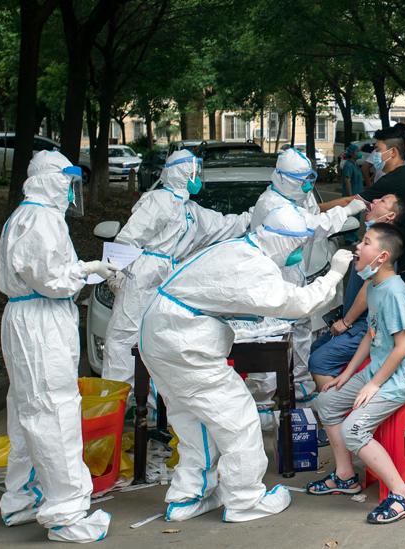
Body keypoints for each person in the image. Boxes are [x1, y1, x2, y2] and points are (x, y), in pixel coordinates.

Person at [138, 207, 353, 523]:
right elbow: (298, 304)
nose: (296, 255)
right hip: (184, 344)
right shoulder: (253, 267)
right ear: (283, 242)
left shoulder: (239, 248)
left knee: (193, 421)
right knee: (238, 419)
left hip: (160, 336)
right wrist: (335, 273)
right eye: (295, 247)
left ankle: (189, 496)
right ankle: (244, 498)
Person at [0, 150, 117, 542]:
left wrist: (83, 269)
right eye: (64, 180)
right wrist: (88, 270)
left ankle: (23, 498)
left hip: (32, 318)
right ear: (47, 179)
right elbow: (51, 279)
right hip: (41, 320)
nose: (69, 189)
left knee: (27, 412)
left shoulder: (29, 215)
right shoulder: (41, 218)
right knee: (54, 411)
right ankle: (66, 512)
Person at [307, 223, 405, 525]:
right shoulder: (374, 286)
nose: (358, 247)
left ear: (382, 256)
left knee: (353, 430)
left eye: (366, 242)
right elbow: (370, 336)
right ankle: (345, 476)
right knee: (326, 402)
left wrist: (373, 384)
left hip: (402, 378)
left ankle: (403, 497)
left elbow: (403, 347)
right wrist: (347, 375)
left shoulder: (395, 292)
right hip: (378, 370)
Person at [102, 149, 253, 389]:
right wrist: (116, 272)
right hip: (142, 277)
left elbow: (225, 225)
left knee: (160, 342)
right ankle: (115, 404)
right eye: (195, 172)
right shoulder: (158, 201)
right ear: (183, 173)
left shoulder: (190, 211)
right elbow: (128, 239)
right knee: (124, 337)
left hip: (169, 280)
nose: (198, 178)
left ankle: (152, 408)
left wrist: (254, 217)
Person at [243, 149, 365, 412]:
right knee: (271, 344)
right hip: (273, 282)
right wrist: (346, 211)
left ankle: (302, 403)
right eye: (303, 180)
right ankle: (264, 414)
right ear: (286, 179)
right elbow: (312, 228)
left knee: (300, 339)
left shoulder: (291, 198)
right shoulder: (272, 205)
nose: (308, 185)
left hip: (292, 277)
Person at [320, 126, 405, 364]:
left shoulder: (399, 178)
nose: (374, 154)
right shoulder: (398, 178)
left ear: (391, 152)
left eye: (378, 149)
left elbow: (354, 201)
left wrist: (314, 211)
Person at [309, 194, 405, 389]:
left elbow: (368, 287)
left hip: (363, 326)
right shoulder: (373, 240)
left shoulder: (385, 246)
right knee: (315, 348)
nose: (375, 200)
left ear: (390, 216)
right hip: (360, 324)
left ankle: (334, 409)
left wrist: (346, 322)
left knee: (319, 361)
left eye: (383, 201)